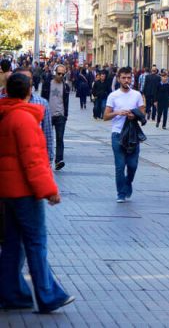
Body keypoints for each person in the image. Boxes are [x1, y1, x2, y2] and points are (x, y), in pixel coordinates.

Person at [0, 73, 75, 313]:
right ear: (29, 91)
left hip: (6, 191)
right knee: (35, 243)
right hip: (23, 192)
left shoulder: (6, 115)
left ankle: (12, 293)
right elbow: (33, 160)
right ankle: (47, 294)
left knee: (13, 243)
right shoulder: (23, 119)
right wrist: (49, 191)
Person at [103, 67, 145, 203]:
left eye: (129, 77)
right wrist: (117, 112)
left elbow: (143, 114)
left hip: (132, 135)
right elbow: (105, 116)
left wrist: (134, 115)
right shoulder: (113, 96)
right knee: (120, 166)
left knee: (132, 165)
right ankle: (121, 193)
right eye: (124, 78)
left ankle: (128, 183)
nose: (126, 80)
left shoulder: (137, 95)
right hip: (117, 134)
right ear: (119, 78)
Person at [1, 67, 56, 165]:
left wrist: (49, 158)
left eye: (28, 78)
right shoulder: (3, 104)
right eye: (21, 78)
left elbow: (47, 133)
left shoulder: (42, 103)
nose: (25, 82)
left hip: (34, 159)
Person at [40, 64, 70, 171]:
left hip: (60, 115)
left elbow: (66, 102)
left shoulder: (66, 86)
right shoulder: (48, 84)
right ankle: (44, 159)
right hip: (48, 115)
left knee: (60, 138)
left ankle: (59, 160)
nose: (61, 75)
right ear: (54, 72)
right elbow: (42, 99)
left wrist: (65, 115)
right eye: (59, 73)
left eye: (63, 74)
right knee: (46, 138)